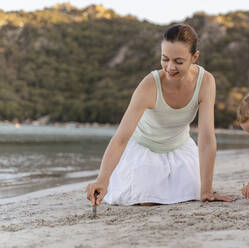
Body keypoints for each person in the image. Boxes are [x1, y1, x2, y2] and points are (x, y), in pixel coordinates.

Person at [86, 24, 233, 206]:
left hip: (181, 151)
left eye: (178, 61)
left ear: (194, 57)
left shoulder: (206, 82)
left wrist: (207, 190)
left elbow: (206, 139)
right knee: (148, 200)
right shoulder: (149, 85)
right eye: (165, 59)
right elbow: (121, 138)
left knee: (191, 195)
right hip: (145, 151)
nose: (170, 67)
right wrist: (102, 179)